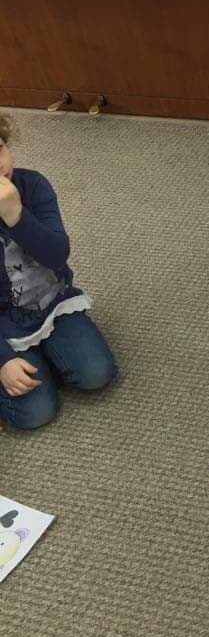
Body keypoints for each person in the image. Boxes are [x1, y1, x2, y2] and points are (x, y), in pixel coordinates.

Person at [0, 113, 117, 429]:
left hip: (53, 305)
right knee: (36, 413)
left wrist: (15, 214)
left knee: (96, 373)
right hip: (4, 327)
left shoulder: (32, 185)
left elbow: (56, 254)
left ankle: (45, 356)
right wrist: (4, 361)